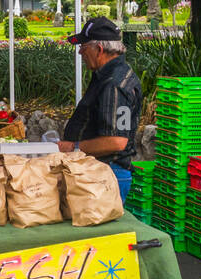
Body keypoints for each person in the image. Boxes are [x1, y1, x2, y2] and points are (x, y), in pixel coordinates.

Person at [60, 16, 143, 201]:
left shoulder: (114, 83)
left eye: (84, 46)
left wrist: (73, 147)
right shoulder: (108, 75)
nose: (80, 51)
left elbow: (116, 141)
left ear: (99, 49)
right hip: (103, 172)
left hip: (107, 173)